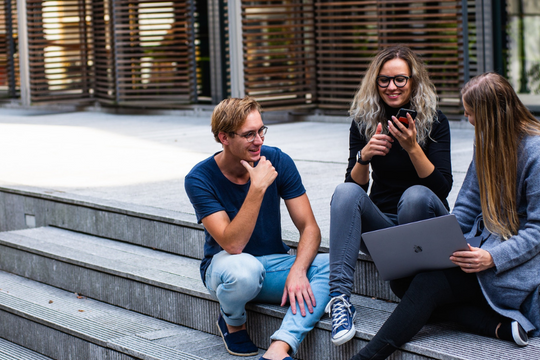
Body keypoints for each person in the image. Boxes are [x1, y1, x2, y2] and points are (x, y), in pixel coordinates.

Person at [350, 72, 540, 360]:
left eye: (470, 113)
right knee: (403, 280)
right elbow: (466, 206)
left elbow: (537, 231)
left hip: (512, 264)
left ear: (491, 115)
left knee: (428, 284)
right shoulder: (487, 142)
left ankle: (366, 357)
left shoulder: (535, 153)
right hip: (480, 249)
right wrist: (447, 245)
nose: (468, 120)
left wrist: (492, 258)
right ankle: (495, 326)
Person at [184, 97, 330, 360]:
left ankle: (280, 346)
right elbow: (233, 245)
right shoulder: (199, 178)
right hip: (226, 269)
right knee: (244, 270)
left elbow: (310, 227)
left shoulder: (276, 159)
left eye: (261, 130)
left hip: (272, 265)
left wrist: (298, 270)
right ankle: (233, 322)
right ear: (224, 138)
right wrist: (257, 187)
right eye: (249, 134)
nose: (259, 140)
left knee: (333, 265)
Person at [326, 45, 453, 345]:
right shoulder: (364, 121)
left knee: (415, 196)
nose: (392, 87)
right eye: (384, 80)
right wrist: (364, 157)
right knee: (344, 193)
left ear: (413, 81)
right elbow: (354, 191)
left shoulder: (435, 121)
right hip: (385, 229)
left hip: (425, 223)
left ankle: (420, 289)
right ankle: (340, 301)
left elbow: (442, 188)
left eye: (400, 79)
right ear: (375, 82)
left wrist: (412, 147)